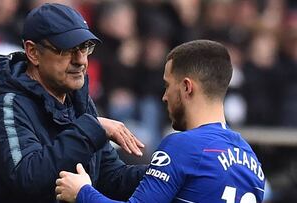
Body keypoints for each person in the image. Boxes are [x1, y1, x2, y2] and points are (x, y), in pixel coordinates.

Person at [0, 3, 147, 203]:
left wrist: (164, 171)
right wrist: (91, 129)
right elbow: (28, 177)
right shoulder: (6, 105)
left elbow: (110, 178)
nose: (81, 60)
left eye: (85, 48)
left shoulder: (78, 100)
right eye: (67, 50)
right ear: (33, 52)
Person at [55, 40, 266, 203]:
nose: (164, 96)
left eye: (167, 85)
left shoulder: (183, 145)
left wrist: (82, 192)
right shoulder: (251, 161)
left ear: (186, 87)